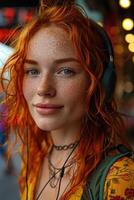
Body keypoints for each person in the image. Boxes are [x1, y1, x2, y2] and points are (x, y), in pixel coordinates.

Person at [0, 0, 134, 199]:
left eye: (66, 71)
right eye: (32, 71)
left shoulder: (120, 180)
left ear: (99, 84)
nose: (43, 89)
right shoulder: (35, 159)